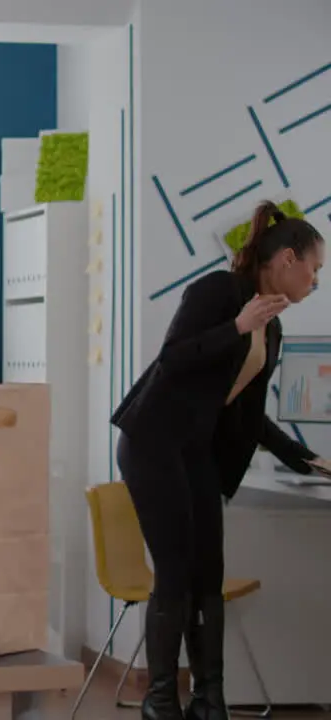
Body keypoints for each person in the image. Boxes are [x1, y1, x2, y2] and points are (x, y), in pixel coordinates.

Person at [111, 200, 330, 720]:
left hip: (195, 451)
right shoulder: (217, 293)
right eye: (315, 269)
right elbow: (173, 358)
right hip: (153, 441)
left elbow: (250, 416)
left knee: (209, 570)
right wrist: (235, 325)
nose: (316, 282)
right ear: (287, 260)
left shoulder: (272, 330)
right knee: (175, 567)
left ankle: (210, 699)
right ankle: (160, 699)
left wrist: (310, 459)